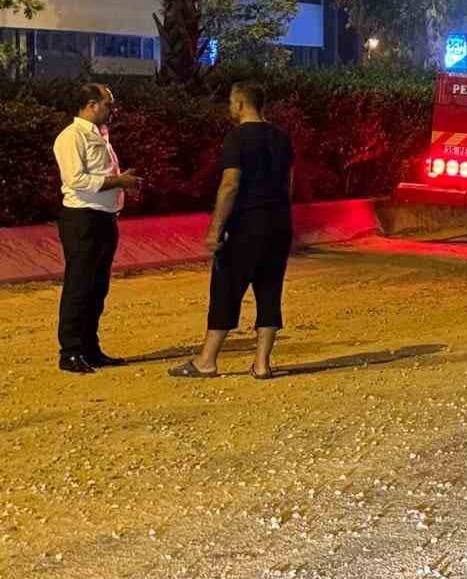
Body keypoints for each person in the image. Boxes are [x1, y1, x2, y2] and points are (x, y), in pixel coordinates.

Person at [169, 81, 294, 380]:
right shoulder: (282, 137)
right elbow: (289, 183)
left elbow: (230, 185)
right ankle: (262, 364)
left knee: (226, 289)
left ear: (239, 103)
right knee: (269, 291)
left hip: (245, 225)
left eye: (230, 102)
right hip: (278, 223)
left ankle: (207, 360)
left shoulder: (237, 138)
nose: (229, 108)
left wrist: (215, 228)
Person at [53, 83, 142, 374]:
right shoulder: (71, 137)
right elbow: (76, 180)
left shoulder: (100, 135)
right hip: (82, 218)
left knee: (97, 287)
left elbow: (102, 175)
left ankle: (90, 348)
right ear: (91, 105)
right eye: (108, 104)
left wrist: (122, 181)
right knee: (79, 286)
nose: (112, 110)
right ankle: (70, 352)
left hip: (104, 217)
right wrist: (119, 182)